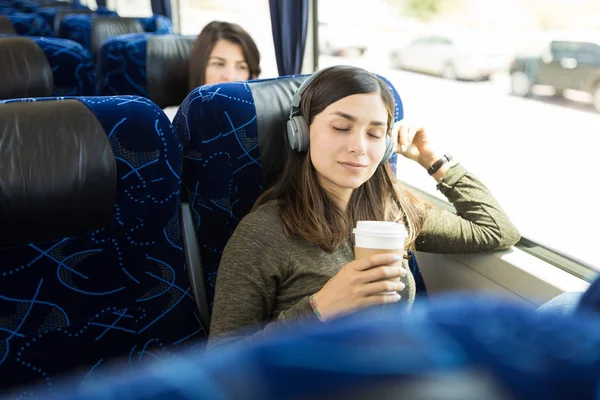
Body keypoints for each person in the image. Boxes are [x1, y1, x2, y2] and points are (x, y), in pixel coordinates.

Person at [208, 65, 521, 348]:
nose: (359, 146)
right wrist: (319, 308)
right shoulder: (263, 233)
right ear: (301, 132)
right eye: (341, 128)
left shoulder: (392, 211)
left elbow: (496, 230)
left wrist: (433, 160)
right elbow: (221, 363)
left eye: (374, 133)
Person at [163, 21, 261, 120]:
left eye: (241, 67)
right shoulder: (171, 121)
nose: (230, 76)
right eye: (219, 64)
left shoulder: (263, 122)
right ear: (199, 68)